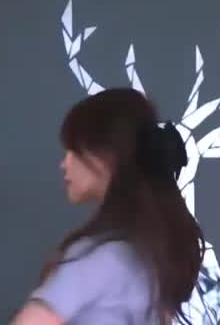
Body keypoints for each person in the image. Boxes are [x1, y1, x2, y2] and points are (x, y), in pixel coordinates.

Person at [11, 88, 206, 325]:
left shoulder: (103, 258)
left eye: (74, 150)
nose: (64, 163)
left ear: (106, 157)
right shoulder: (153, 262)